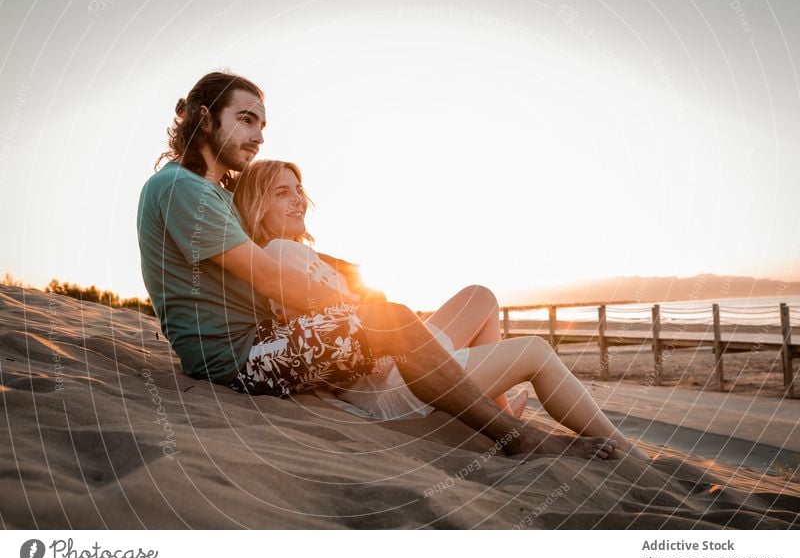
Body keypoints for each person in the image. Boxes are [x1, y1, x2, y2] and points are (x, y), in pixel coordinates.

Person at [136, 71, 624, 462]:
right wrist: (358, 306)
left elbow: (264, 255)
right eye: (245, 119)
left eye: (262, 124)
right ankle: (518, 437)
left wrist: (340, 276)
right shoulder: (182, 188)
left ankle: (483, 409)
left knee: (395, 316)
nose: (259, 135)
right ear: (204, 118)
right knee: (387, 318)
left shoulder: (210, 193)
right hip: (239, 360)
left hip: (255, 348)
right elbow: (266, 275)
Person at [232, 159, 650, 461]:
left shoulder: (295, 253)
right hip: (392, 384)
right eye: (281, 193)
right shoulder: (279, 253)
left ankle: (497, 412)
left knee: (480, 296)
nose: (297, 200)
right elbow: (339, 326)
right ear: (257, 205)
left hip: (396, 366)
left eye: (298, 189)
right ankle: (630, 456)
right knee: (535, 351)